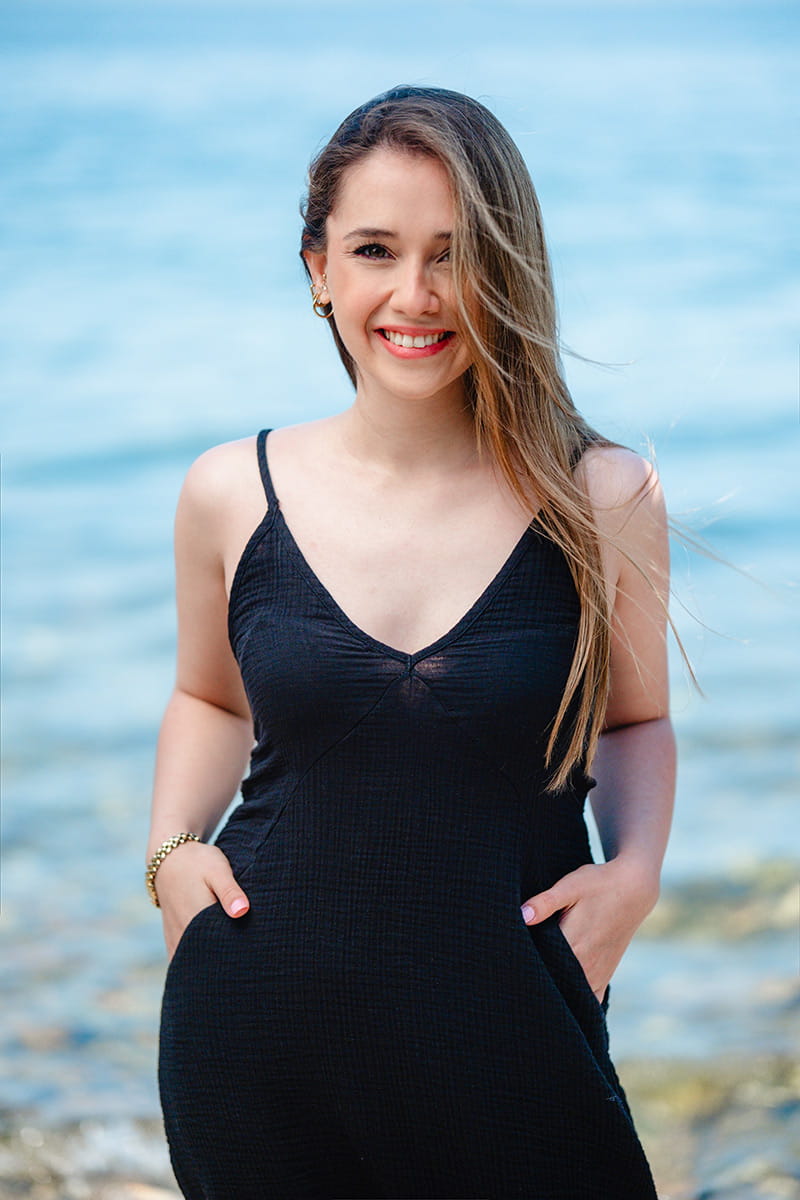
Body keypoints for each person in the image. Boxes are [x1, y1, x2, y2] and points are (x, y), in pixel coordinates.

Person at [148, 85, 675, 1199]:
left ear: (509, 266)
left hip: (513, 1024)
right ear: (316, 270)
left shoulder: (599, 496)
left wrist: (633, 875)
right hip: (255, 1041)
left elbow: (634, 718)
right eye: (375, 250)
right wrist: (168, 856)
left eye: (455, 253)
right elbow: (207, 700)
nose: (415, 295)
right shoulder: (229, 492)